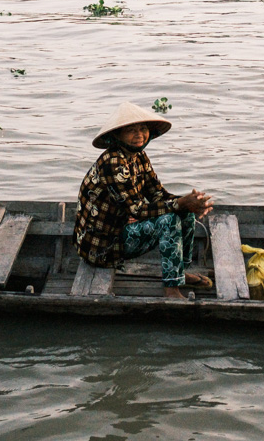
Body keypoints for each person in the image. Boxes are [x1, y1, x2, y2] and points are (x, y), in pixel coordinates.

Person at [75, 101, 216, 300]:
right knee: (169, 220)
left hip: (121, 229)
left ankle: (179, 275)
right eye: (131, 131)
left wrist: (191, 202)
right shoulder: (113, 162)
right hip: (103, 246)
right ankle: (171, 290)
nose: (139, 135)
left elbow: (158, 194)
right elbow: (137, 210)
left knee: (184, 214)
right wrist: (180, 204)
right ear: (117, 136)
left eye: (142, 129)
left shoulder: (139, 156)